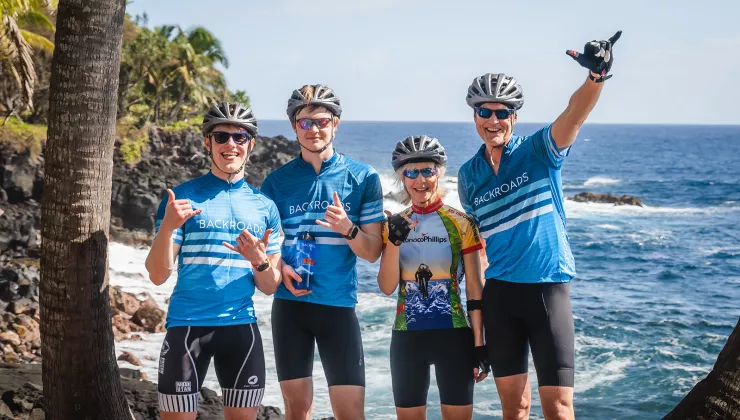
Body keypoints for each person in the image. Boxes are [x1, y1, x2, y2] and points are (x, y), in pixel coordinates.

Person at [457, 32, 622, 420]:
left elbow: (574, 115)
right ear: (475, 116)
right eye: (484, 112)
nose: (493, 120)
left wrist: (596, 76)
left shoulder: (539, 151)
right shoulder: (469, 176)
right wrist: (478, 334)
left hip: (547, 293)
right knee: (514, 408)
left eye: (502, 113)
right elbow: (478, 250)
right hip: (500, 299)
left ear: (514, 117)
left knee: (559, 407)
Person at [145, 102, 283, 420]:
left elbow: (270, 286)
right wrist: (167, 226)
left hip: (241, 330)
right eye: (221, 137)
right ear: (207, 142)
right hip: (187, 329)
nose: (230, 145)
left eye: (240, 137)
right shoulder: (181, 199)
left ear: (251, 143)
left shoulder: (265, 207)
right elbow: (157, 275)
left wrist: (258, 260)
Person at [260, 84, 384, 420]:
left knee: (350, 413)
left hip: (337, 307)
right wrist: (281, 264)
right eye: (305, 122)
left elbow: (372, 252)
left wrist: (348, 228)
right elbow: (266, 248)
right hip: (290, 307)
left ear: (336, 124)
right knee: (296, 412)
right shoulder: (276, 182)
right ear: (293, 126)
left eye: (322, 121)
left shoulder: (363, 178)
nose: (314, 129)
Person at [377, 135, 490, 420]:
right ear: (401, 177)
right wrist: (393, 241)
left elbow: (475, 290)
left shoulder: (462, 223)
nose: (420, 180)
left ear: (440, 172)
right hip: (406, 338)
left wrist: (480, 345)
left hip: (453, 337)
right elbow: (387, 287)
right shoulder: (394, 224)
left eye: (428, 170)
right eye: (411, 172)